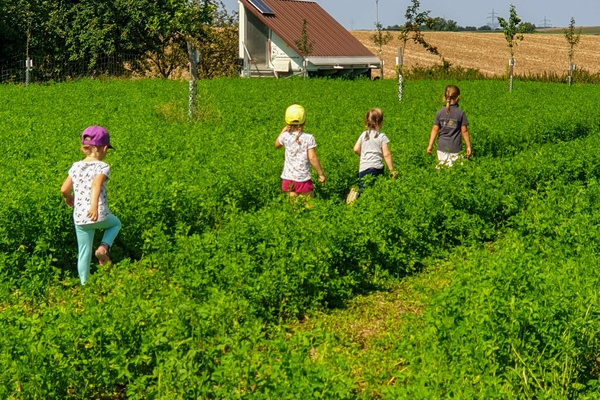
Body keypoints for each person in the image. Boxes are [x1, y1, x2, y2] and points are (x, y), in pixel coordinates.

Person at [60, 126, 121, 285]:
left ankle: (84, 285)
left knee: (84, 252)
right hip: (98, 213)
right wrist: (93, 207)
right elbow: (96, 185)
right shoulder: (102, 166)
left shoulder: (75, 166)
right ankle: (103, 247)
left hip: (80, 217)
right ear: (104, 148)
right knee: (115, 224)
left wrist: (68, 198)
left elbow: (64, 189)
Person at [275, 104, 325, 200]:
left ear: (286, 120)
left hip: (288, 178)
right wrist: (321, 174)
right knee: (309, 205)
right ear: (304, 121)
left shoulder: (285, 136)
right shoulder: (308, 138)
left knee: (294, 206)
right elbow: (312, 157)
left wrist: (283, 130)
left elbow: (277, 144)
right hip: (303, 178)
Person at [353, 108, 397, 194]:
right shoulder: (382, 137)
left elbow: (355, 149)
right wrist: (391, 170)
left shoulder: (363, 134)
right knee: (377, 191)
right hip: (376, 168)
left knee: (365, 191)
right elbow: (386, 154)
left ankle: (357, 198)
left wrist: (363, 156)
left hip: (363, 169)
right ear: (381, 122)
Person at [427, 85, 472, 167]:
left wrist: (430, 145)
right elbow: (464, 131)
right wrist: (468, 146)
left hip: (441, 148)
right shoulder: (460, 113)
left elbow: (434, 130)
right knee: (456, 171)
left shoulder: (439, 113)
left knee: (442, 169)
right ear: (458, 97)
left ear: (445, 97)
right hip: (455, 149)